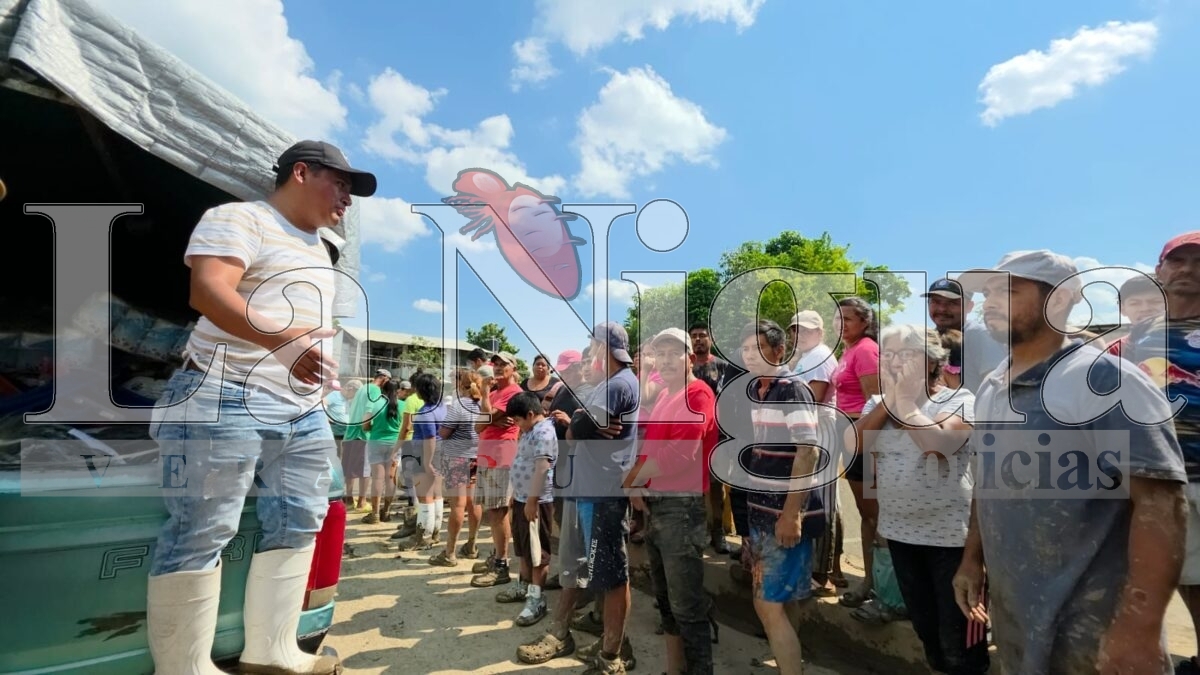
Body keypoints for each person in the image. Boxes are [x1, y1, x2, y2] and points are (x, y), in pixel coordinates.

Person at [145, 139, 376, 674]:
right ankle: (184, 668)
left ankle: (272, 653)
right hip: (222, 391)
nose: (347, 197)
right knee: (203, 528)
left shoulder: (323, 249)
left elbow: (311, 330)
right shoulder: (240, 219)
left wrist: (320, 382)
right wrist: (284, 343)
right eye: (339, 183)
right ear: (300, 172)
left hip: (300, 410)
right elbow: (208, 290)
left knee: (300, 520)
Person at [953, 250, 1185, 674]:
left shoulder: (1104, 380)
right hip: (1017, 621)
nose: (991, 302)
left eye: (1009, 290)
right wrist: (972, 560)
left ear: (1059, 299)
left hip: (1092, 631)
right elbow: (987, 482)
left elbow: (1161, 505)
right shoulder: (990, 386)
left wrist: (1139, 628)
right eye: (987, 293)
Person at [848, 326, 987, 672]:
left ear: (931, 361)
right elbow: (855, 446)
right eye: (889, 355)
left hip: (950, 541)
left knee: (961, 642)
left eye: (905, 354)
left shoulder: (959, 400)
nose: (895, 362)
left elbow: (936, 447)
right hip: (900, 535)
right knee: (927, 631)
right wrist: (893, 400)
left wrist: (906, 402)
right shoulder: (879, 403)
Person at [518, 322, 641, 674]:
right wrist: (578, 421)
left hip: (601, 492)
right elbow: (577, 429)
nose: (590, 354)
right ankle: (563, 632)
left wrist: (578, 422)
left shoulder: (618, 383)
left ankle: (612, 656)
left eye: (593, 348)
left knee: (612, 576)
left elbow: (581, 429)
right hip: (584, 488)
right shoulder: (606, 385)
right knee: (577, 567)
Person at [1119, 234, 1200, 674]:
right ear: (1160, 272)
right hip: (1155, 482)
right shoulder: (1140, 337)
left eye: (1199, 261)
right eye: (1179, 260)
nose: (1188, 269)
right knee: (1161, 583)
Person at [732, 319, 823, 675]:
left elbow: (808, 452)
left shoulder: (791, 389)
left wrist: (791, 514)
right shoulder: (762, 390)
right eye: (745, 350)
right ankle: (789, 662)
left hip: (780, 515)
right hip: (763, 513)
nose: (750, 356)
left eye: (757, 349)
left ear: (779, 351)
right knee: (784, 603)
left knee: (767, 606)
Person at [626, 327, 718, 675]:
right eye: (659, 353)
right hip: (658, 504)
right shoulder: (666, 394)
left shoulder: (698, 394)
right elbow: (651, 447)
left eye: (672, 353)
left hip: (681, 507)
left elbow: (680, 455)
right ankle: (674, 668)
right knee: (666, 601)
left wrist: (634, 480)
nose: (664, 360)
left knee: (687, 606)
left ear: (689, 358)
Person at [786, 310, 845, 595]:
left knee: (822, 500)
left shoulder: (820, 355)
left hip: (819, 428)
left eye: (806, 330)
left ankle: (822, 576)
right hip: (810, 428)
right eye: (796, 330)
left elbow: (815, 397)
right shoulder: (807, 358)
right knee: (819, 499)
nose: (800, 335)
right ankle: (825, 569)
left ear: (820, 333)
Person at [831, 296, 881, 610]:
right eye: (838, 319)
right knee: (868, 515)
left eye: (847, 319)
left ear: (865, 322)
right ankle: (871, 580)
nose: (841, 324)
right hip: (848, 435)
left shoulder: (866, 350)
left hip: (863, 440)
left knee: (873, 516)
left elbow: (874, 403)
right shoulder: (848, 350)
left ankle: (874, 583)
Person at [505, 391, 558, 626]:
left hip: (536, 501)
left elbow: (542, 468)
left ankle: (537, 597)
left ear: (529, 414)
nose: (516, 425)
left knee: (538, 553)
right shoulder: (529, 431)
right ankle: (524, 585)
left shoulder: (544, 432)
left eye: (517, 420)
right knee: (524, 547)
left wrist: (532, 500)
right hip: (522, 498)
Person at [471, 352, 524, 587]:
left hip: (501, 456)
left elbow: (487, 417)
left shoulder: (513, 393)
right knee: (493, 510)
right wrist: (489, 416)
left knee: (499, 510)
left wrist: (483, 397)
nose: (499, 367)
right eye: (496, 363)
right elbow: (478, 425)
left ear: (514, 368)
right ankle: (497, 556)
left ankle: (502, 564)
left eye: (505, 364)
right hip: (488, 454)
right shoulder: (494, 393)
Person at [429, 369, 485, 567]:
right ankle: (472, 545)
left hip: (457, 459)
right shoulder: (483, 406)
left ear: (461, 385)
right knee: (474, 502)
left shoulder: (458, 407)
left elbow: (444, 433)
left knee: (458, 505)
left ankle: (449, 552)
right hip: (476, 458)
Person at [397, 373, 447, 550]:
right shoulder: (442, 408)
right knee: (437, 494)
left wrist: (426, 463)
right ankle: (434, 533)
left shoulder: (425, 413)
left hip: (424, 455)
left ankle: (422, 537)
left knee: (424, 496)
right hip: (440, 453)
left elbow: (430, 439)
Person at [342, 370, 390, 511]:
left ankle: (349, 498)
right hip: (362, 434)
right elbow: (369, 410)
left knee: (350, 469)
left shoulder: (362, 388)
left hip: (351, 433)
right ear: (384, 379)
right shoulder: (374, 390)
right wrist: (369, 427)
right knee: (365, 471)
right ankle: (361, 501)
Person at [362, 380, 401, 525]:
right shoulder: (403, 405)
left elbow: (365, 425)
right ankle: (387, 511)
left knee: (377, 479)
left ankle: (375, 514)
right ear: (398, 391)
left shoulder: (375, 404)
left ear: (382, 391)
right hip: (395, 444)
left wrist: (373, 429)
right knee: (390, 478)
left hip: (376, 442)